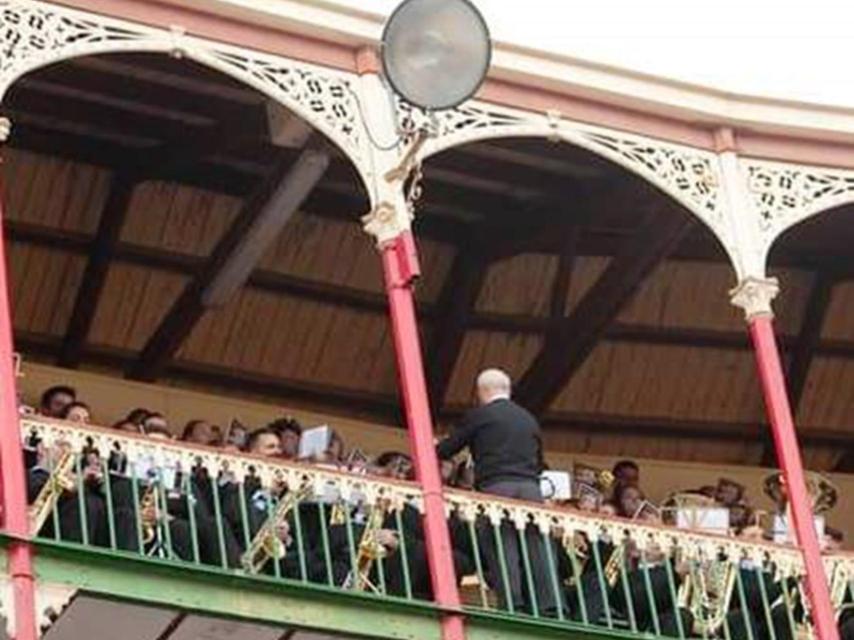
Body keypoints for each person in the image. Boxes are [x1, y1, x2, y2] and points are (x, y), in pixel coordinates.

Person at [436, 368, 560, 616]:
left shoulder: (481, 416)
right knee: (538, 546)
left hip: (496, 487)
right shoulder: (528, 419)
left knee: (503, 545)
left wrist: (435, 447)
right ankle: (551, 605)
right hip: (530, 489)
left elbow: (449, 449)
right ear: (508, 390)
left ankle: (512, 605)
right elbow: (538, 461)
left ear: (482, 391)